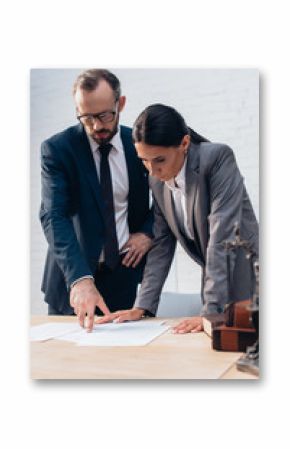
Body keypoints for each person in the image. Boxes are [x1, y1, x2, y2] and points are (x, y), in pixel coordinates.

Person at [97, 103, 259, 333]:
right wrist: (142, 306)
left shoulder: (217, 158)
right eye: (144, 160)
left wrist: (210, 312)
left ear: (184, 144)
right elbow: (161, 243)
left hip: (252, 279)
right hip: (216, 282)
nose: (152, 170)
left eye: (159, 160)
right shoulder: (157, 181)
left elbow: (222, 237)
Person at [40, 69, 153, 331]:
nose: (97, 126)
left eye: (104, 115)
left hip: (123, 277)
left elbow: (167, 194)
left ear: (120, 104)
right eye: (87, 118)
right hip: (73, 280)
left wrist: (147, 233)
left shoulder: (138, 144)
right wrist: (79, 279)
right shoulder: (57, 150)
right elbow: (53, 215)